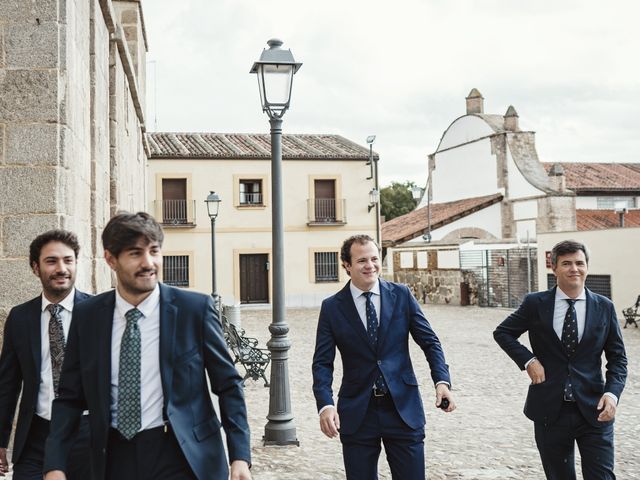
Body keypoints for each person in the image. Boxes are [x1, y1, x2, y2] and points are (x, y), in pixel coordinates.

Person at [42, 212, 252, 480]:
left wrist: (240, 456)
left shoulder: (194, 310)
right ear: (110, 259)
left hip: (182, 454)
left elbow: (228, 385)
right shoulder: (88, 316)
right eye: (135, 253)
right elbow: (69, 397)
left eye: (154, 251)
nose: (148, 262)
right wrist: (55, 464)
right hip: (114, 455)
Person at [312, 234, 455, 479]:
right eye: (362, 261)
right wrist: (325, 404)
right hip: (358, 412)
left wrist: (442, 382)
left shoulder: (401, 295)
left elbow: (430, 342)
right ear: (346, 265)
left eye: (375, 258)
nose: (370, 266)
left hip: (403, 410)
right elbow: (322, 363)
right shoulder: (332, 307)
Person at [494, 239, 627, 480]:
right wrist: (528, 361)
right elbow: (503, 332)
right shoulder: (535, 303)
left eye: (579, 263)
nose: (574, 269)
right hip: (549, 410)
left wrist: (612, 394)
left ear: (587, 267)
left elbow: (618, 359)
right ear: (553, 268)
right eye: (566, 263)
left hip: (594, 409)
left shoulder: (604, 307)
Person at [0, 230, 91, 479]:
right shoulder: (20, 318)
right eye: (51, 261)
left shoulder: (99, 312)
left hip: (87, 434)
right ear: (35, 268)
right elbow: (7, 384)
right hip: (37, 435)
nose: (61, 268)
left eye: (68, 260)